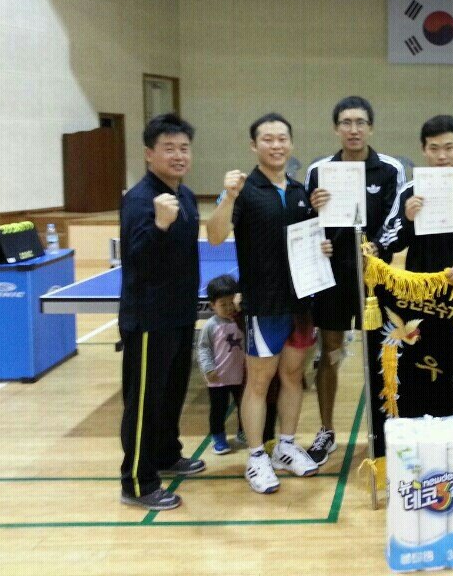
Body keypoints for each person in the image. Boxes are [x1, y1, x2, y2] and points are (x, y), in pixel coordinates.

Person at [207, 113, 330, 494]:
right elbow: (214, 236)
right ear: (254, 146)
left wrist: (322, 246)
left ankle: (286, 447)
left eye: (282, 139)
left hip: (301, 303)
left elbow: (309, 241)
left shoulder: (299, 192)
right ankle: (257, 455)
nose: (276, 145)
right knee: (259, 382)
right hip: (264, 304)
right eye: (268, 139)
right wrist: (228, 196)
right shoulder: (243, 191)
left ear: (291, 144)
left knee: (293, 377)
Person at [304, 96, 405, 465]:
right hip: (331, 278)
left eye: (360, 122)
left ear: (371, 128)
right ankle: (326, 430)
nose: (353, 129)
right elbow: (305, 223)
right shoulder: (319, 171)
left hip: (374, 279)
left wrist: (378, 246)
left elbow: (398, 220)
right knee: (329, 351)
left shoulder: (391, 170)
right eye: (346, 122)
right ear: (336, 129)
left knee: (380, 353)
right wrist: (314, 215)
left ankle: (382, 428)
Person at [118, 113, 204, 511]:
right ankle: (138, 481)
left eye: (184, 148)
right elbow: (136, 258)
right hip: (149, 318)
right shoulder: (140, 200)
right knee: (144, 403)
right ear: (149, 154)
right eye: (168, 148)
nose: (178, 155)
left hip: (181, 312)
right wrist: (159, 225)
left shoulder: (185, 195)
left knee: (172, 394)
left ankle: (167, 453)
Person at [371, 115, 453, 300]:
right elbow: (387, 242)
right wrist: (407, 219)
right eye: (434, 148)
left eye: (449, 148)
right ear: (423, 150)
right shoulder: (409, 192)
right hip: (422, 294)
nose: (442, 156)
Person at [197, 275, 246, 456]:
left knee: (244, 406)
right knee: (218, 409)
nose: (228, 308)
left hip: (240, 376)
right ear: (212, 305)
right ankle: (218, 436)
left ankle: (243, 431)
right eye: (222, 304)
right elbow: (203, 348)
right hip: (218, 378)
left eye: (231, 303)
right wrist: (208, 369)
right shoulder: (211, 326)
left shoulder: (242, 321)